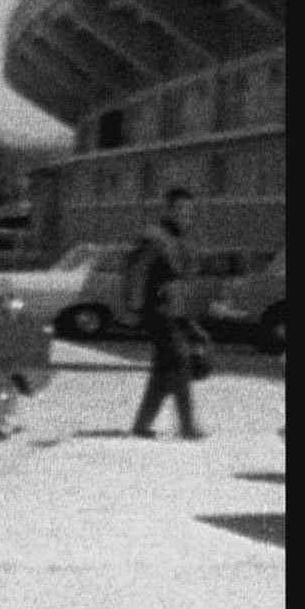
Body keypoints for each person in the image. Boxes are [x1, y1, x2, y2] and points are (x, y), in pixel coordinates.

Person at [124, 188, 205, 439]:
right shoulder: (153, 237)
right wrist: (133, 308)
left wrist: (192, 319)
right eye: (180, 210)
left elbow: (187, 279)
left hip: (178, 312)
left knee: (164, 369)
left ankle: (142, 425)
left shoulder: (184, 240)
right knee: (180, 361)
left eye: (189, 212)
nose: (185, 216)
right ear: (168, 210)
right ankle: (187, 426)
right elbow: (135, 272)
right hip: (157, 311)